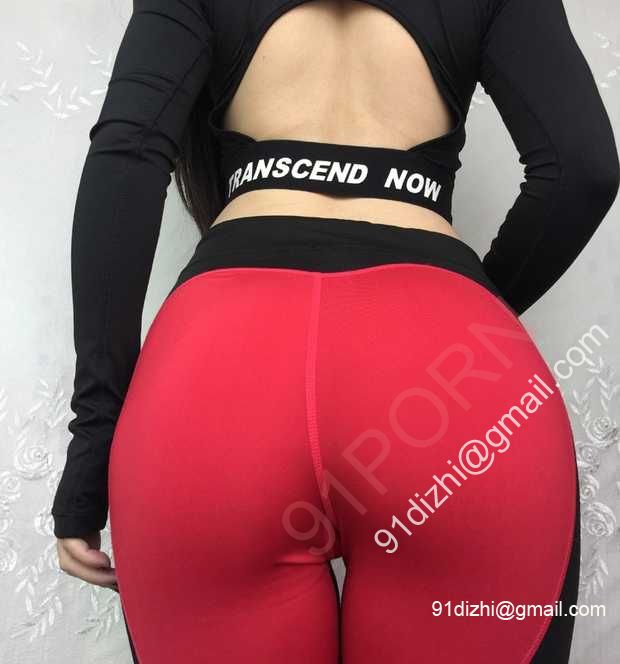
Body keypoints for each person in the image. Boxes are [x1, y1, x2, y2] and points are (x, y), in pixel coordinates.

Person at [52, 0, 619, 662]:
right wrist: (471, 314)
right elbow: (584, 168)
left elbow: (127, 157)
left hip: (218, 376)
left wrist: (91, 448)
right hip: (446, 380)